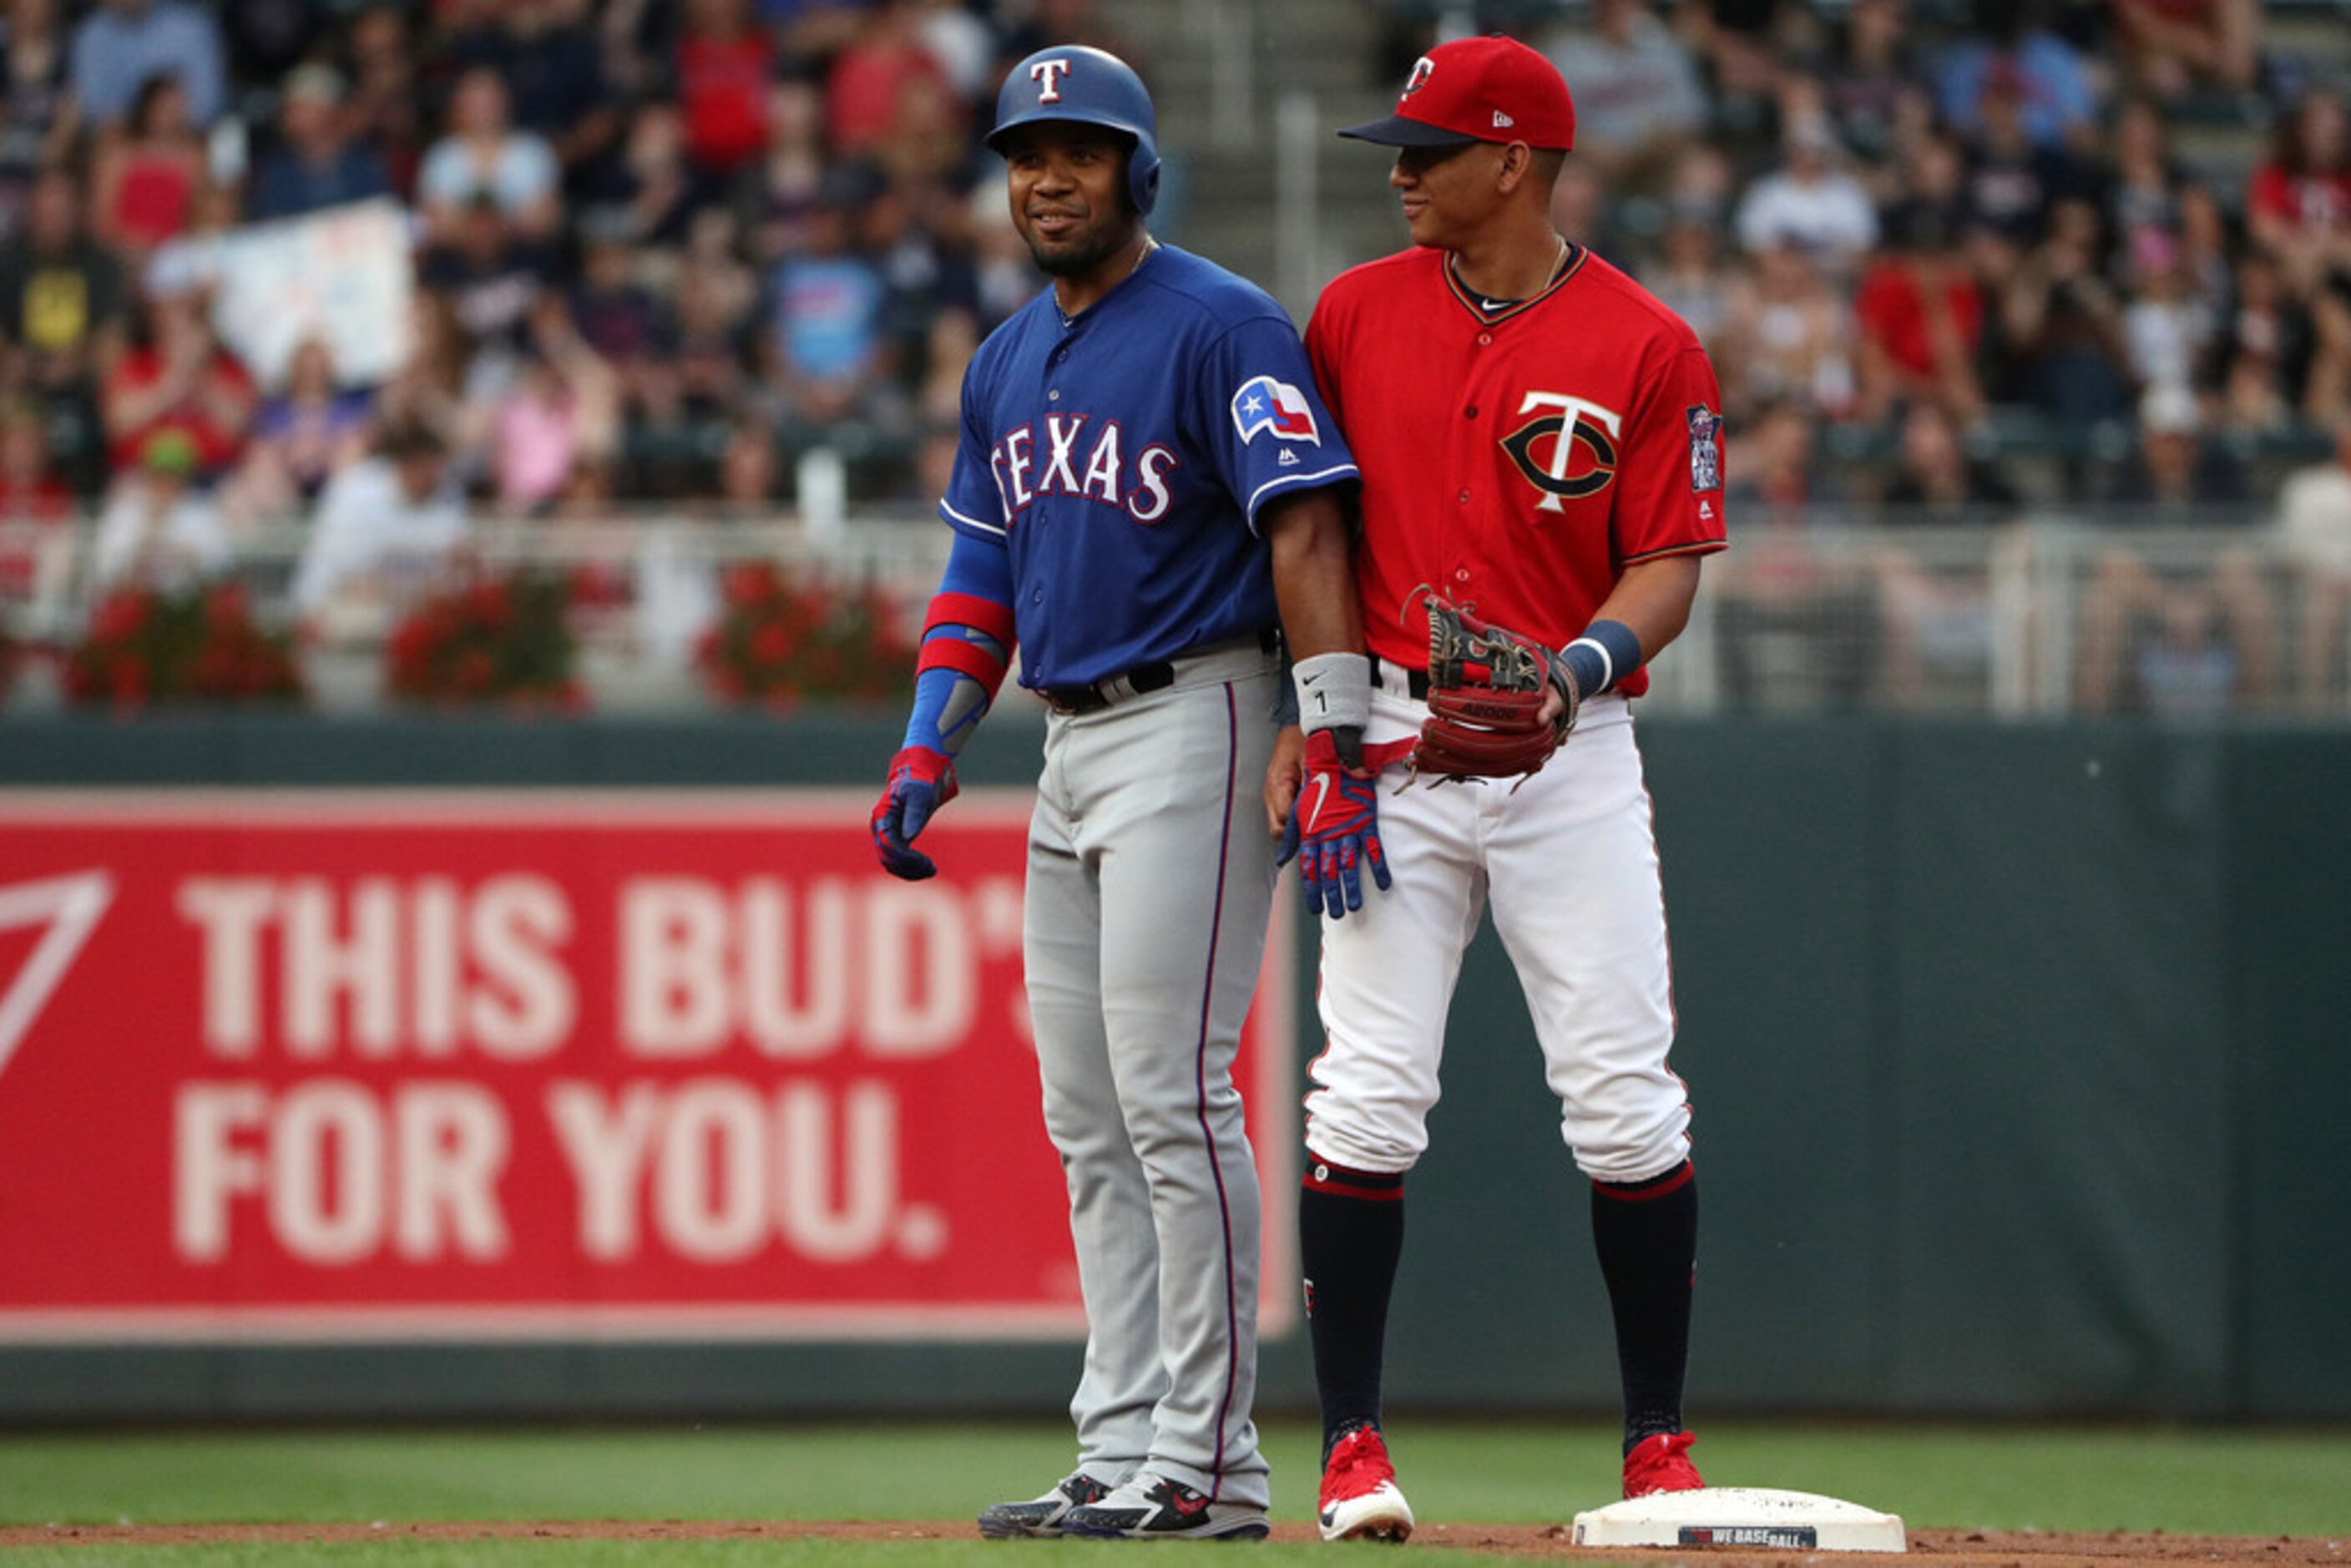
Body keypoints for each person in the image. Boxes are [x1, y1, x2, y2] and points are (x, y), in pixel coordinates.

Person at [866, 44, 1362, 1542]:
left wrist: (1328, 724)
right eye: (1027, 153)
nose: (1049, 176)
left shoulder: (1223, 323)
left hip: (1203, 710)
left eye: (1079, 150)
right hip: (1069, 745)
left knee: (1171, 1097)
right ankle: (1125, 1434)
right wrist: (926, 735)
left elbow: (1306, 528)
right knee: (1087, 1116)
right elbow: (982, 571)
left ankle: (1212, 1461)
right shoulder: (1009, 356)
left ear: (1139, 170)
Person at [1273, 35, 1723, 1540]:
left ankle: (1658, 1444)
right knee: (1367, 1093)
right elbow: (1305, 531)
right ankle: (1350, 1450)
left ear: (1514, 158)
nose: (1397, 170)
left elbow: (1668, 564)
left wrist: (1575, 672)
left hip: (1568, 750)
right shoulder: (1349, 313)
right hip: (1393, 739)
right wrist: (1324, 728)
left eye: (1426, 146)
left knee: (1622, 1100)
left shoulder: (1648, 343)